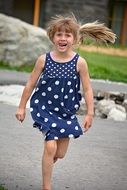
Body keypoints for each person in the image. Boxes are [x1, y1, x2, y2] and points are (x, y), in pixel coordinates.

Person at [15, 14, 116, 190]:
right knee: (50, 146)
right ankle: (46, 186)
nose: (63, 38)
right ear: (52, 37)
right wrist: (22, 107)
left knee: (59, 153)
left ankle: (51, 155)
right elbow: (30, 84)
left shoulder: (80, 63)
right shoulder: (43, 60)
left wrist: (90, 113)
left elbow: (87, 89)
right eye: (59, 35)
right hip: (44, 107)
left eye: (67, 35)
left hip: (66, 111)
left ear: (75, 39)